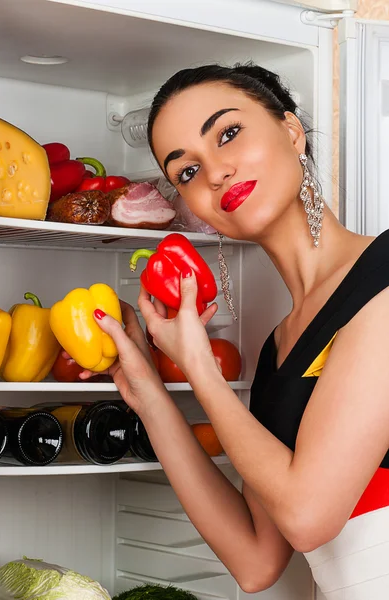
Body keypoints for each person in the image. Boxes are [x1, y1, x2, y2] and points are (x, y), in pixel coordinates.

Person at [76, 64, 389, 599]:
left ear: (292, 132)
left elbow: (310, 516)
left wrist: (200, 367)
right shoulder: (277, 351)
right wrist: (149, 393)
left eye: (227, 134)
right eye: (187, 173)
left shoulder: (385, 278)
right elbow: (255, 560)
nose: (216, 172)